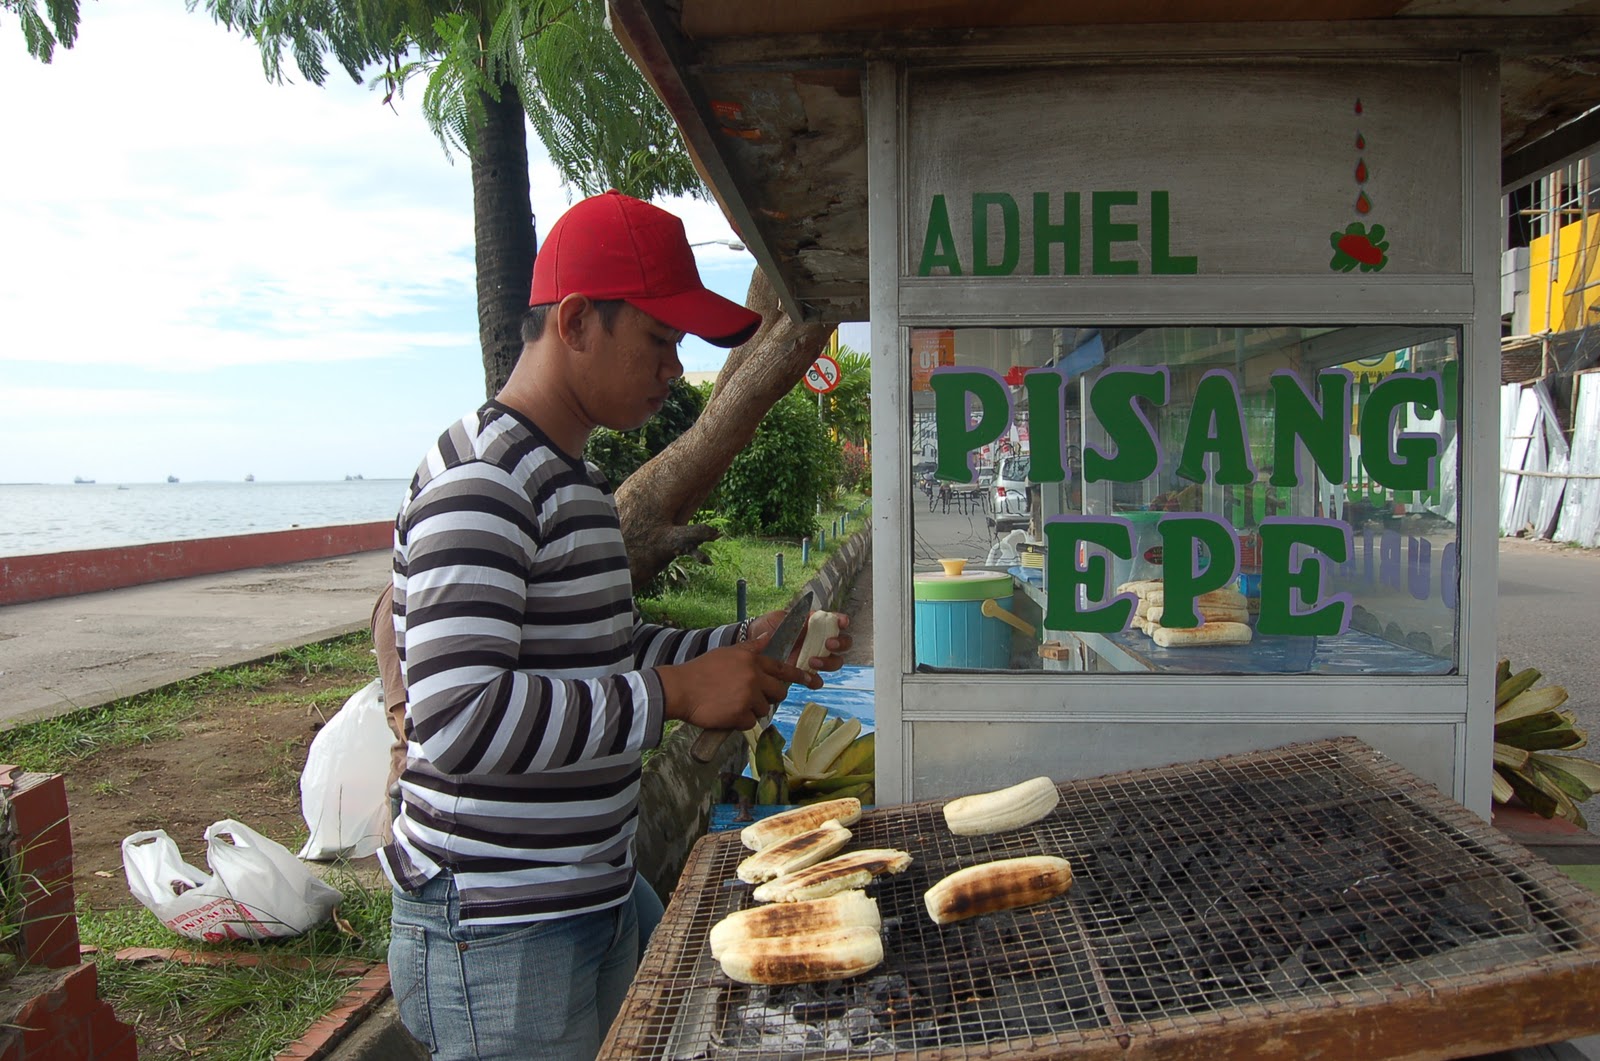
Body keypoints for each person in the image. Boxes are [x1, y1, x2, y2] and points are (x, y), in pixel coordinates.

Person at [380, 189, 851, 1061]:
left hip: (588, 888)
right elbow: (457, 718)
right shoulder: (484, 482)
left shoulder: (578, 482)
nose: (675, 368)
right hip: (499, 925)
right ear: (574, 321)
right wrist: (675, 691)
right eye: (659, 339)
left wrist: (733, 648)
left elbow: (608, 648)